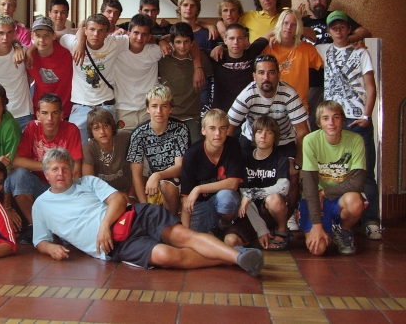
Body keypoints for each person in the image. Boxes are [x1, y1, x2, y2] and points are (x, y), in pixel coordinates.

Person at [32, 148, 263, 276]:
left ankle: (237, 258)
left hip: (134, 215)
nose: (61, 173)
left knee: (183, 236)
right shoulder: (41, 205)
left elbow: (118, 199)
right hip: (116, 244)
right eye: (55, 169)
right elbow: (40, 240)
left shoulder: (87, 182)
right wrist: (51, 248)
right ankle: (232, 255)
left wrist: (104, 226)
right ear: (46, 174)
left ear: (72, 170)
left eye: (65, 168)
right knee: (167, 256)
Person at [227, 54, 309, 229]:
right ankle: (244, 214)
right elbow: (228, 128)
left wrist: (298, 163)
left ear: (278, 74)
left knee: (292, 176)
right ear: (254, 75)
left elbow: (303, 132)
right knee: (241, 174)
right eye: (261, 73)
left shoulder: (289, 93)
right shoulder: (247, 94)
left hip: (284, 140)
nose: (266, 77)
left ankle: (288, 214)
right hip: (252, 139)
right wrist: (229, 160)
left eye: (271, 72)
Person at [320, 10, 381, 240]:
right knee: (335, 172)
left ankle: (371, 221)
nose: (338, 31)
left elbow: (371, 87)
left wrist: (367, 116)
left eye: (342, 27)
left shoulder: (361, 53)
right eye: (334, 28)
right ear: (329, 31)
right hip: (333, 124)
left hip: (357, 122)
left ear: (348, 29)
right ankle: (341, 218)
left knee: (364, 173)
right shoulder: (323, 51)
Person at [6, 93, 83, 244]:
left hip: (63, 188)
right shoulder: (31, 127)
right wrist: (48, 167)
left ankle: (58, 225)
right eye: (45, 113)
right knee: (18, 176)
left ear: (62, 114)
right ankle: (36, 227)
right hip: (40, 186)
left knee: (69, 241)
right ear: (38, 115)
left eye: (54, 113)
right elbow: (16, 161)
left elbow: (76, 171)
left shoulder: (71, 130)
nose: (49, 118)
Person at [299, 0, 372, 130]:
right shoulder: (303, 22)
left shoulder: (336, 18)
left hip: (340, 83)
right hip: (312, 82)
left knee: (337, 124)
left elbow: (365, 32)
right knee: (314, 125)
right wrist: (299, 24)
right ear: (309, 2)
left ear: (328, 1)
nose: (318, 1)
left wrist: (347, 41)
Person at [298, 101, 366, 256]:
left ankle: (343, 230)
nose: (331, 123)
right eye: (325, 118)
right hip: (315, 199)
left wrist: (325, 192)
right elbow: (309, 185)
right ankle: (308, 218)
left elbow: (358, 183)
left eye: (336, 117)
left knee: (355, 202)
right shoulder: (310, 140)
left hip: (340, 197)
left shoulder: (356, 140)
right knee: (318, 249)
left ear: (343, 120)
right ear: (319, 123)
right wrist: (317, 224)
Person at [224, 116, 290, 251]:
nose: (263, 136)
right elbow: (244, 194)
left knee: (274, 199)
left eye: (269, 132)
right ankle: (260, 239)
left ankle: (281, 230)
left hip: (271, 211)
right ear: (253, 135)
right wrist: (260, 228)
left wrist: (252, 193)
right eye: (259, 132)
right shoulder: (244, 158)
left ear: (275, 137)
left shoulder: (281, 158)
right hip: (250, 212)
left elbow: (284, 187)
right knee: (230, 241)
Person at [59, 13, 128, 142]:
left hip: (105, 104)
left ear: (107, 33)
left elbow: (138, 37)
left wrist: (161, 41)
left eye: (101, 30)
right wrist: (80, 42)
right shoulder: (74, 43)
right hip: (81, 105)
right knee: (76, 147)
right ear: (85, 30)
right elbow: (54, 34)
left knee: (106, 147)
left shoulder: (114, 43)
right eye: (92, 29)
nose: (96, 34)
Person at [127, 85, 189, 214]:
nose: (159, 111)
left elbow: (179, 167)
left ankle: (171, 220)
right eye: (154, 106)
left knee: (167, 185)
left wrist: (158, 175)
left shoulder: (180, 129)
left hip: (177, 179)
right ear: (147, 108)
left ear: (171, 109)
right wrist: (144, 207)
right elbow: (136, 175)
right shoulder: (138, 134)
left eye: (164, 106)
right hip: (153, 181)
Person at [180, 109, 243, 236]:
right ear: (203, 131)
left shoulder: (233, 145)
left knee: (226, 197)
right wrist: (185, 234)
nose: (217, 133)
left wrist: (198, 189)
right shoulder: (192, 155)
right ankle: (212, 230)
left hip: (224, 202)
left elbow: (233, 183)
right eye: (212, 128)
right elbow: (186, 197)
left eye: (222, 128)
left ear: (228, 130)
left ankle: (224, 225)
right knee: (192, 235)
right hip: (200, 204)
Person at [158, 22, 213, 139]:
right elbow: (150, 39)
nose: (182, 46)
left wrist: (220, 48)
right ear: (172, 43)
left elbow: (213, 76)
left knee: (194, 147)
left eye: (186, 42)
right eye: (178, 42)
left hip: (192, 117)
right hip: (168, 116)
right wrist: (161, 40)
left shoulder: (200, 59)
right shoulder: (163, 58)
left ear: (192, 42)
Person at [262, 9, 323, 113]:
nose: (289, 27)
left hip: (299, 107)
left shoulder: (307, 49)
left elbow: (327, 67)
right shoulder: (269, 48)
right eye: (285, 23)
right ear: (280, 24)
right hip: (274, 107)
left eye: (293, 25)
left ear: (298, 27)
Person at [114, 14, 166, 132]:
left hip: (148, 110)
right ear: (128, 33)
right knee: (122, 143)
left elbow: (184, 45)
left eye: (144, 34)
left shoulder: (154, 51)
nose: (139, 38)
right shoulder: (117, 49)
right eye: (136, 33)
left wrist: (161, 41)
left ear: (149, 37)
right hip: (123, 110)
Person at [0, 15, 34, 131]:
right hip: (1, 114)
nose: (5, 37)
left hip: (25, 113)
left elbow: (37, 46)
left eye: (9, 33)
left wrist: (18, 46)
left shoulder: (23, 51)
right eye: (1, 33)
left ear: (14, 33)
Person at [208, 23, 270, 113]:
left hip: (249, 111)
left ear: (246, 40)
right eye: (231, 38)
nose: (236, 42)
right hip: (222, 112)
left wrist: (274, 38)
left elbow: (272, 32)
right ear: (225, 40)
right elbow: (194, 49)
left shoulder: (252, 51)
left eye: (240, 38)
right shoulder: (217, 56)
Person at [26, 17, 74, 119]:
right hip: (41, 112)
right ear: (32, 36)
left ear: (54, 36)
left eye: (46, 35)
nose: (42, 40)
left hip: (66, 111)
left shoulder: (67, 52)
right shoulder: (29, 58)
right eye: (38, 36)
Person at [82, 107, 133, 200]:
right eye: (96, 128)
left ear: (112, 126)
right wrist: (115, 198)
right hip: (102, 197)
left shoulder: (125, 138)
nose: (102, 132)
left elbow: (137, 170)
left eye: (105, 126)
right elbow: (89, 183)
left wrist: (131, 196)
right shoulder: (89, 149)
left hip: (128, 194)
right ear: (91, 131)